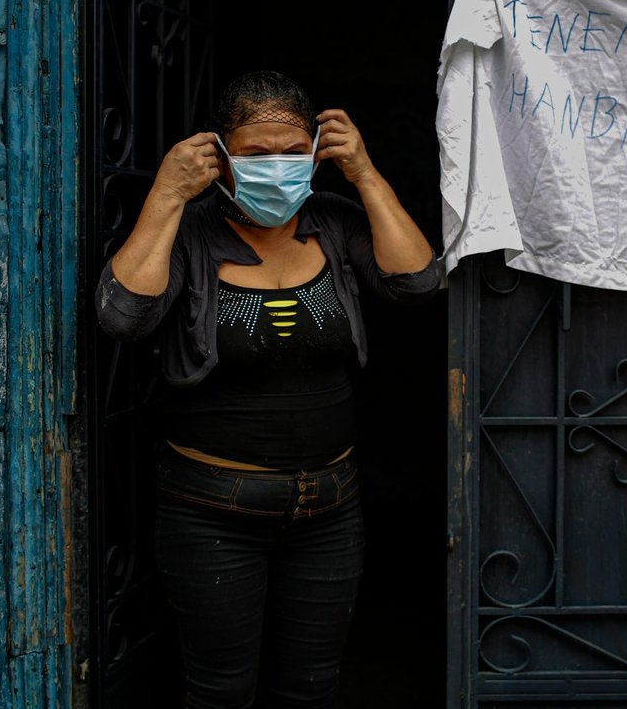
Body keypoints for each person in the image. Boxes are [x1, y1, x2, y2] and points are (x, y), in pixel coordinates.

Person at [94, 70, 439, 707]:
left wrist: (364, 174)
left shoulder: (333, 224)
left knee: (312, 688)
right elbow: (123, 317)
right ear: (220, 158)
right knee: (221, 691)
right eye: (255, 154)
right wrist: (167, 197)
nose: (276, 167)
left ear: (315, 152)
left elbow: (417, 282)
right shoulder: (193, 233)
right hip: (210, 514)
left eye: (291, 152)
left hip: (330, 511)